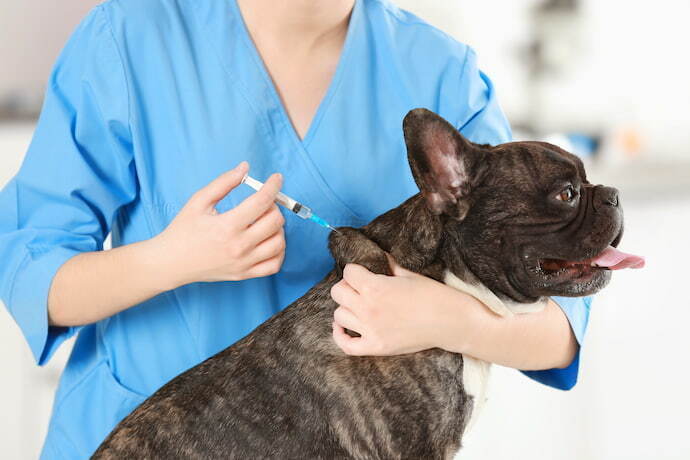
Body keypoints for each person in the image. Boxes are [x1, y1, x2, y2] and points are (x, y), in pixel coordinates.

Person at [0, 0, 590, 458]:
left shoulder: (439, 73)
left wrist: (446, 317)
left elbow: (560, 328)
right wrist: (169, 260)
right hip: (144, 438)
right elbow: (29, 271)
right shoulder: (130, 39)